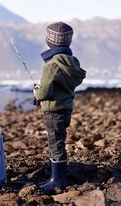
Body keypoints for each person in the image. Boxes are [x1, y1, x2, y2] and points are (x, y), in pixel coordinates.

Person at [33, 22, 86, 192]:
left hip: (53, 111)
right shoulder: (72, 62)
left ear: (49, 41)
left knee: (56, 144)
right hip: (66, 109)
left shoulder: (51, 65)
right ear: (68, 42)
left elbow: (45, 92)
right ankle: (57, 178)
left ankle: (58, 181)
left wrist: (37, 94)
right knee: (59, 142)